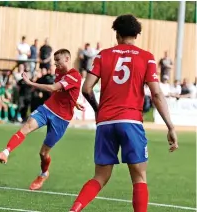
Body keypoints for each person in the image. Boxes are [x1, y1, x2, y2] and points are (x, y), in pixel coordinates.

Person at [69, 14, 178, 212]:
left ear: (117, 34)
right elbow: (156, 94)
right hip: (131, 121)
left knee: (100, 177)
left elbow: (86, 89)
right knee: (139, 177)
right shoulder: (146, 57)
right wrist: (170, 126)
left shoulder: (103, 55)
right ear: (137, 34)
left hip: (106, 122)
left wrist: (98, 109)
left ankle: (74, 209)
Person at [0, 49, 84, 190]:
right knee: (27, 126)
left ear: (67, 59)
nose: (55, 64)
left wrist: (31, 83)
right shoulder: (59, 72)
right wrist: (74, 101)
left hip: (62, 118)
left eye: (57, 61)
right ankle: (5, 153)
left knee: (43, 153)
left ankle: (43, 174)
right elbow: (62, 91)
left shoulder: (75, 75)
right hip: (47, 109)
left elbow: (53, 88)